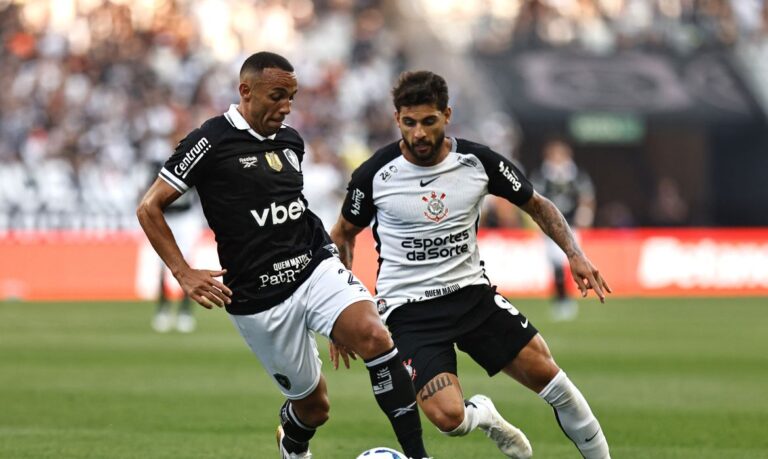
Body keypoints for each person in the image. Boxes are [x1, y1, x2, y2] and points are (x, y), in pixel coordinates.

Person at [136, 52, 429, 459]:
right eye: (277, 96)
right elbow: (149, 206)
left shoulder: (291, 140)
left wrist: (342, 309)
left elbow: (293, 207)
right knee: (315, 407)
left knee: (374, 336)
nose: (286, 107)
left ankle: (418, 455)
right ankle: (291, 442)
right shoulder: (210, 141)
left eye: (291, 97)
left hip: (313, 265)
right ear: (246, 91)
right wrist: (183, 273)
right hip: (260, 297)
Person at [330, 71, 611, 459]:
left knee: (554, 382)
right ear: (397, 120)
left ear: (447, 115)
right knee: (449, 419)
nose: (420, 134)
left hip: (472, 297)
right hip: (409, 313)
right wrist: (341, 312)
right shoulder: (375, 174)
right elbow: (343, 234)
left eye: (429, 121)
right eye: (410, 123)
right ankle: (485, 416)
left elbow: (538, 204)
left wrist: (574, 254)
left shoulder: (477, 161)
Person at [530, 139, 596, 321]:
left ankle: (571, 296)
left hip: (571, 224)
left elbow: (586, 196)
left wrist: (585, 216)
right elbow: (533, 198)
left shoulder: (575, 175)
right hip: (550, 226)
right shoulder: (542, 176)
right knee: (555, 262)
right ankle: (561, 299)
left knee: (571, 259)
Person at [147, 162, 203, 333]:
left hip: (185, 217)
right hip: (165, 216)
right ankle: (163, 307)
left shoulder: (193, 163)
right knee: (163, 264)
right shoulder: (159, 166)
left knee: (185, 263)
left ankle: (185, 310)